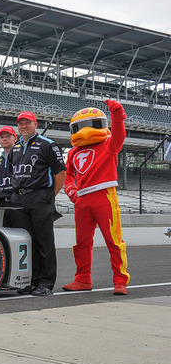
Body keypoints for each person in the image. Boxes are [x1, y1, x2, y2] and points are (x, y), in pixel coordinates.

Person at [62, 101, 130, 295]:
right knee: (81, 243)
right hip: (82, 200)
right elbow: (68, 176)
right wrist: (71, 191)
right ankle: (82, 279)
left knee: (114, 241)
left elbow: (119, 134)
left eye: (91, 124)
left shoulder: (109, 144)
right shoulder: (73, 152)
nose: (85, 130)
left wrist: (117, 114)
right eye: (81, 126)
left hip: (105, 196)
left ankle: (120, 280)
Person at [10, 111, 66, 297]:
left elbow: (60, 173)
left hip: (40, 198)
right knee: (27, 243)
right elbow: (12, 172)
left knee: (44, 243)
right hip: (20, 200)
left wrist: (49, 196)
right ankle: (31, 281)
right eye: (20, 124)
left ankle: (46, 283)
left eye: (27, 123)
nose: (23, 126)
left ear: (36, 124)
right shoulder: (16, 146)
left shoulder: (48, 145)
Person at [0, 126, 17, 208]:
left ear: (15, 139)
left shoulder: (22, 157)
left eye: (8, 136)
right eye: (1, 137)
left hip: (17, 202)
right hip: (1, 202)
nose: (4, 139)